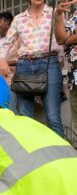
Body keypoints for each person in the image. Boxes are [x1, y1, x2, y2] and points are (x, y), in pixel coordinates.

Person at [0, 0, 65, 138]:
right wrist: (2, 60)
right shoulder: (18, 19)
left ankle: (63, 156)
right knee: (25, 117)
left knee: (53, 116)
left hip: (49, 63)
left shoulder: (54, 12)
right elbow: (5, 43)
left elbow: (61, 39)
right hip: (24, 65)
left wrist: (61, 61)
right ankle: (30, 157)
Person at [55, 0, 77, 141]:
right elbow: (60, 39)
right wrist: (58, 14)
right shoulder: (74, 15)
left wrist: (69, 40)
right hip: (74, 75)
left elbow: (66, 40)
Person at [0, 12, 20, 113]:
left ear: (7, 22)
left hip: (12, 81)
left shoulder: (18, 38)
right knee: (0, 112)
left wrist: (5, 62)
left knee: (12, 112)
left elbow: (24, 58)